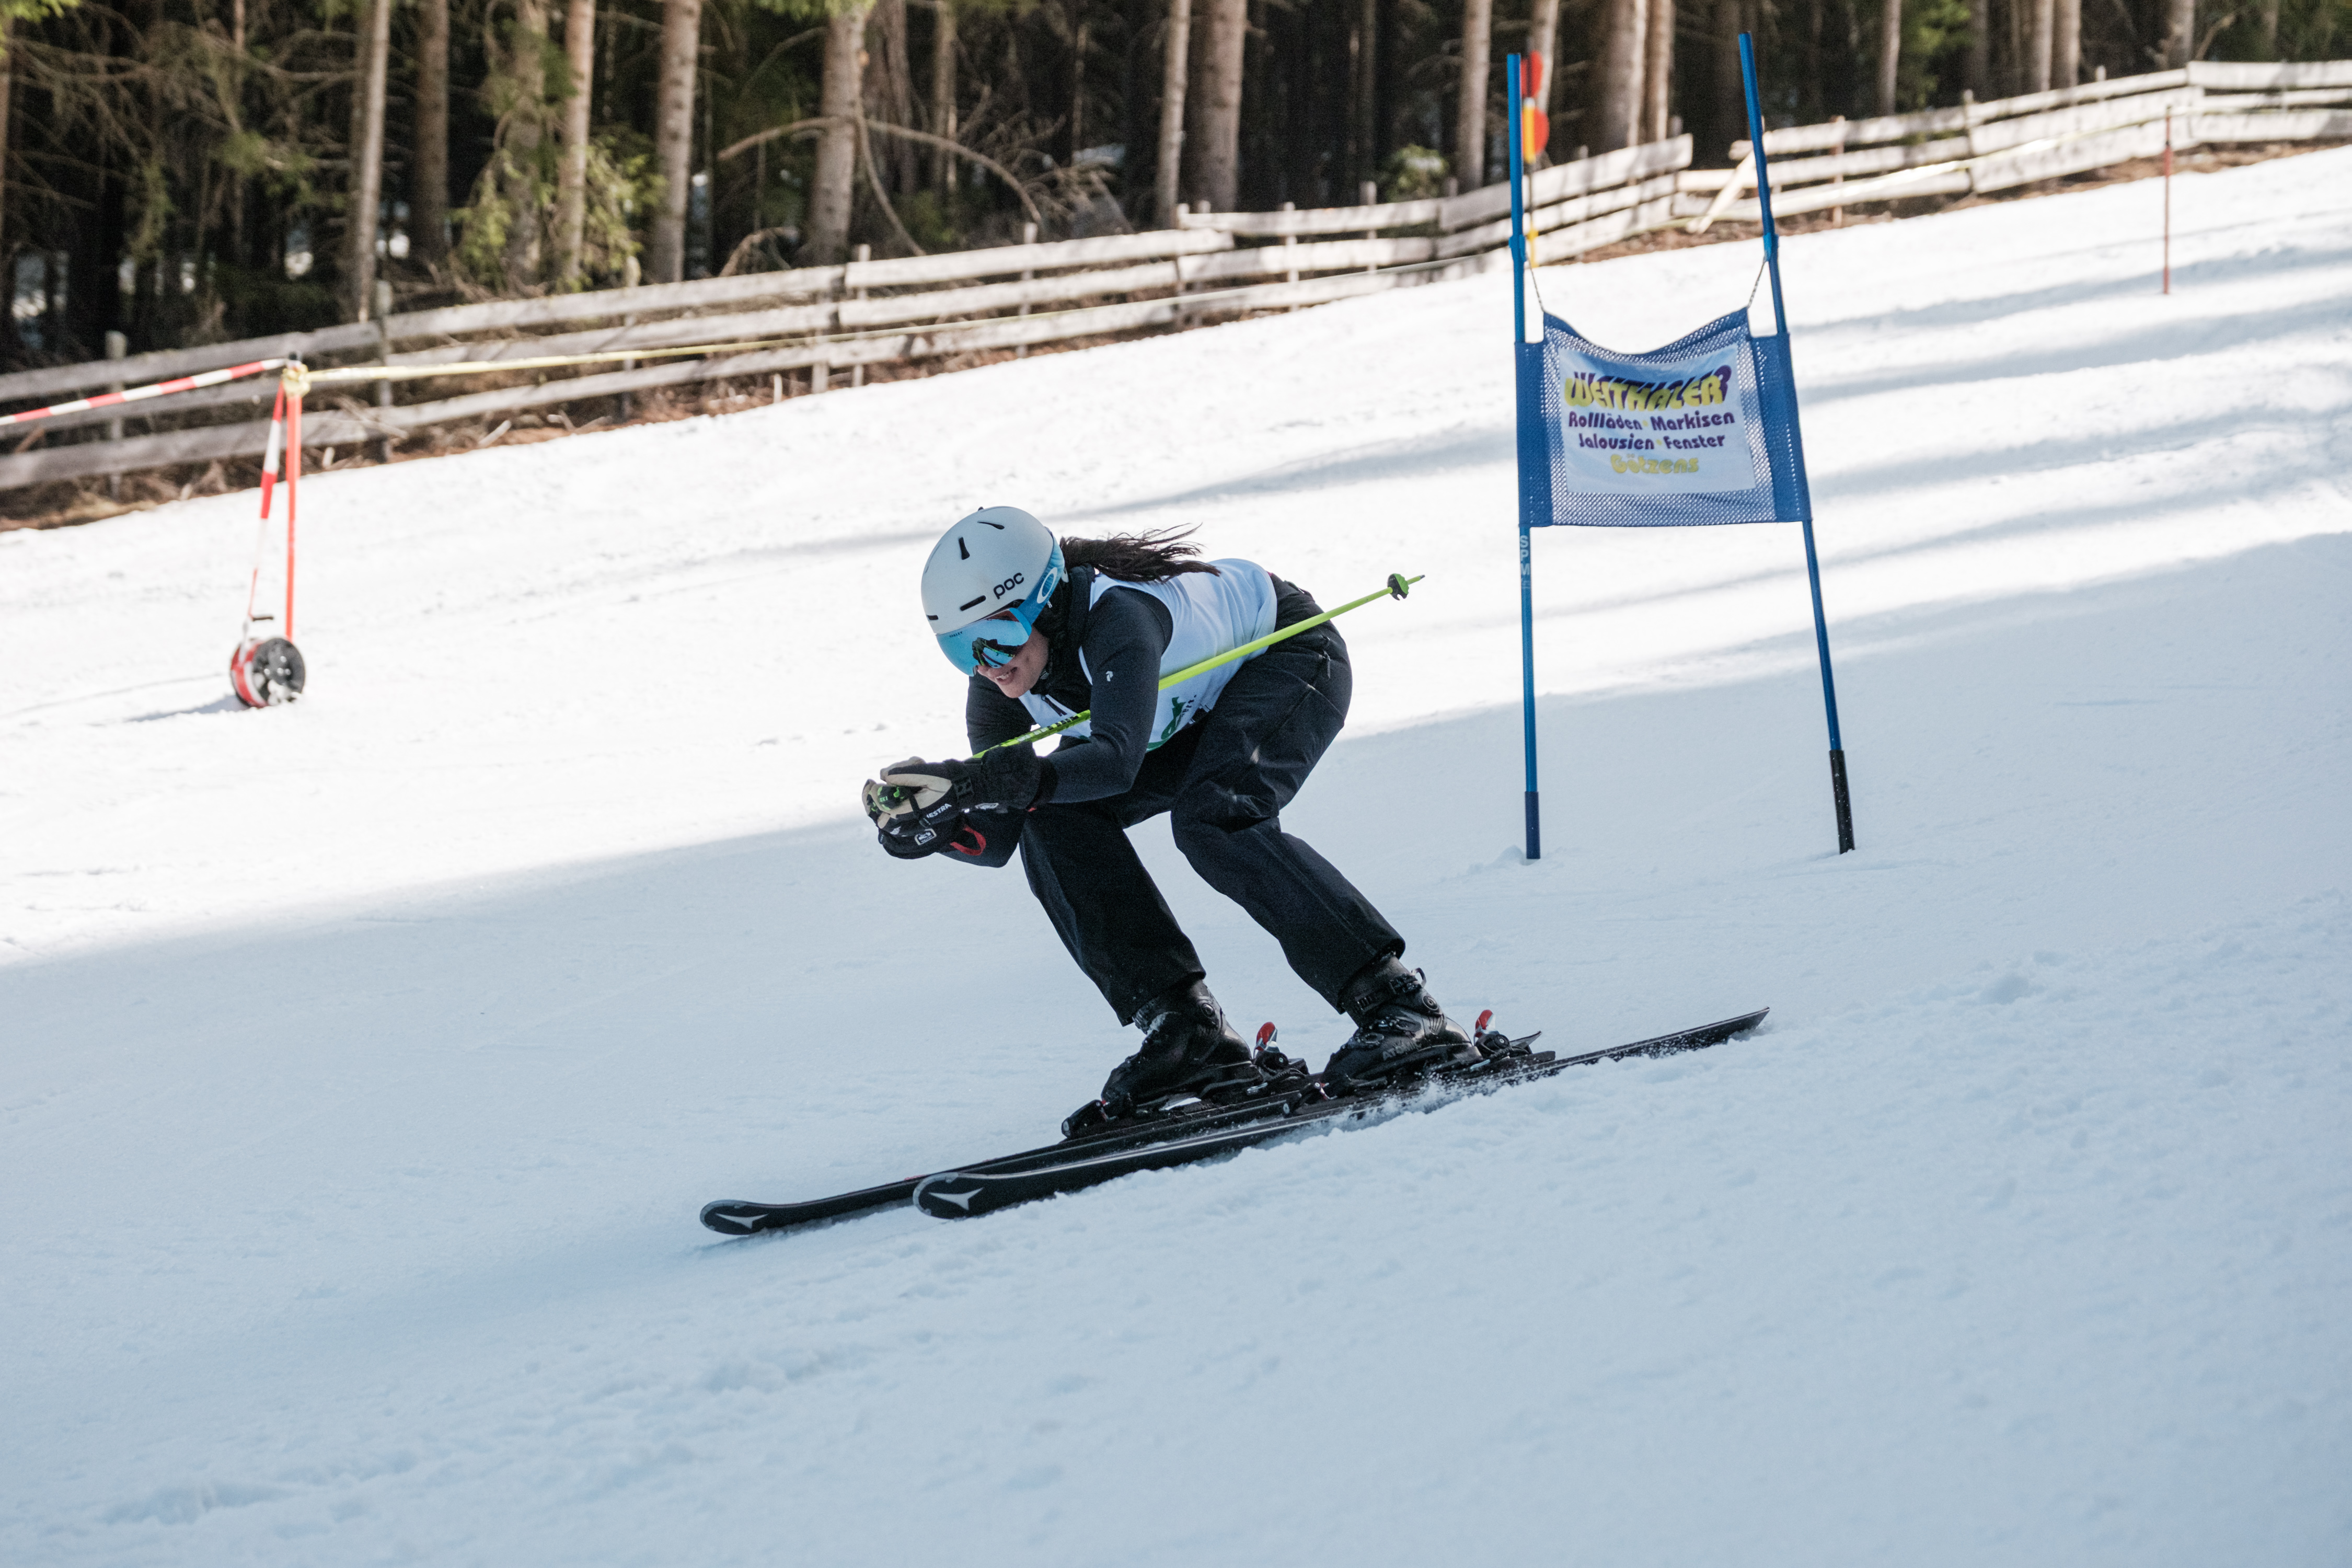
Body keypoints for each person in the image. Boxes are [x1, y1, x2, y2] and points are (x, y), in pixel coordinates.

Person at [864, 506, 1470, 1133]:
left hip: (1286, 656)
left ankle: (1400, 1005)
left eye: (996, 636)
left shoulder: (1118, 619)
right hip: (1187, 712)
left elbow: (1116, 763)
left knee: (1215, 818)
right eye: (959, 648)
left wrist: (976, 781)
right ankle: (1189, 1031)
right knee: (1052, 816)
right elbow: (999, 835)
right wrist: (935, 826)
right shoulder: (998, 686)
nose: (986, 663)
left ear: (1043, 604)